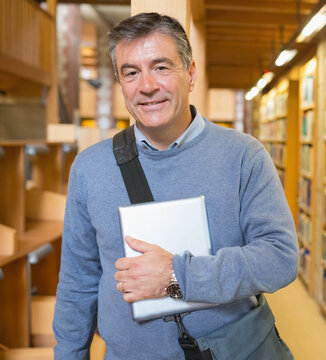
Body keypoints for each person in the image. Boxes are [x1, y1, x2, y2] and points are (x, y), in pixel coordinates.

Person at [53, 12, 298, 359]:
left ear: (191, 73)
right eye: (131, 72)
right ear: (120, 83)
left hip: (232, 352)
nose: (147, 85)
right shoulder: (90, 168)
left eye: (161, 67)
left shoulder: (244, 156)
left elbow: (279, 258)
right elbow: (78, 283)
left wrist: (176, 274)